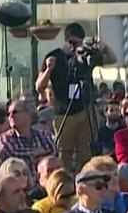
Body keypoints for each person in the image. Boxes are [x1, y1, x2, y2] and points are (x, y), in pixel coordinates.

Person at [36, 23, 117, 169]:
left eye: (79, 43)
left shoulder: (85, 55)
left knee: (86, 152)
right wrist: (49, 69)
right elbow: (39, 86)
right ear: (65, 40)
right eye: (72, 42)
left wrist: (103, 46)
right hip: (64, 111)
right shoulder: (55, 56)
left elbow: (112, 59)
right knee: (63, 153)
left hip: (85, 109)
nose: (75, 47)